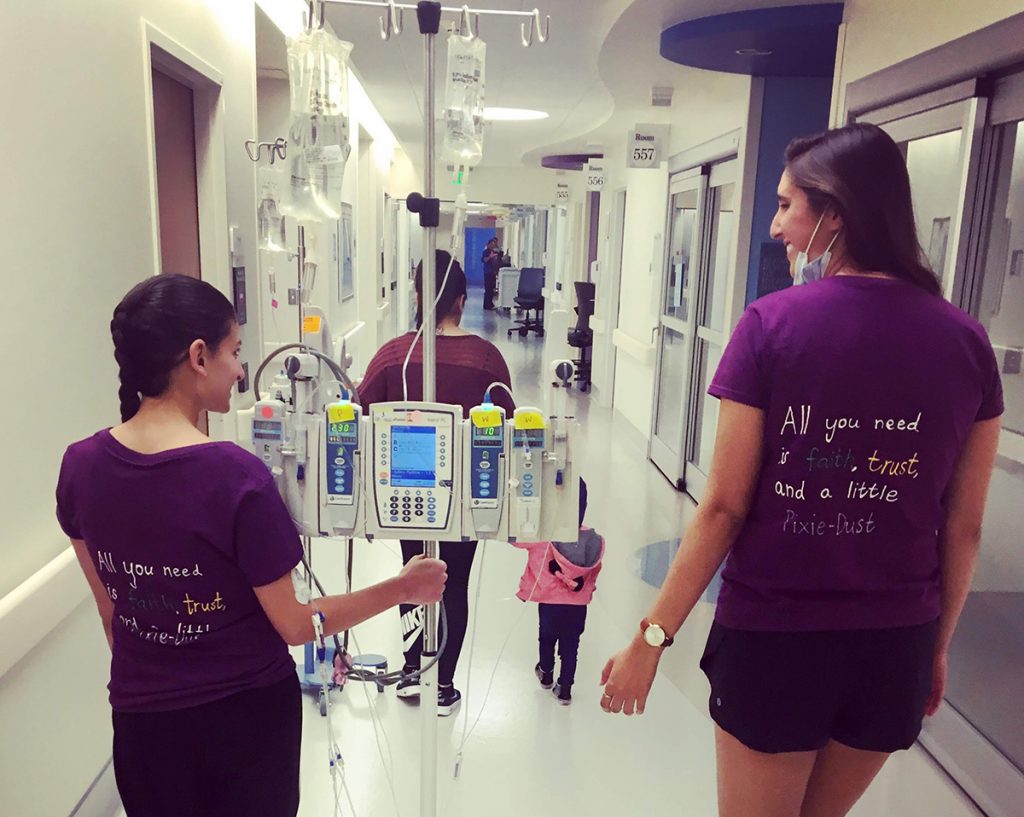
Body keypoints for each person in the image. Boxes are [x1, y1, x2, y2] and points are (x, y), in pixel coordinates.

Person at [600, 123, 1003, 817]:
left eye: (788, 205)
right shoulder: (967, 343)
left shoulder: (771, 326)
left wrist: (651, 637)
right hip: (893, 648)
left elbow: (724, 506)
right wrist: (933, 650)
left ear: (835, 214)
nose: (776, 223)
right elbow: (962, 527)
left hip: (776, 645)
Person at [55, 274, 447, 817]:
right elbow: (295, 625)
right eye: (234, 352)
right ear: (198, 356)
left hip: (143, 727)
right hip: (243, 724)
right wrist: (404, 587)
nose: (241, 369)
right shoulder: (233, 477)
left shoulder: (80, 466)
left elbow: (112, 616)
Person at [358, 250, 516, 715]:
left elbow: (356, 417)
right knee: (454, 582)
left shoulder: (392, 357)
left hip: (406, 493)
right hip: (465, 499)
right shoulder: (487, 359)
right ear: (462, 302)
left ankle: (412, 672)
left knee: (413, 577)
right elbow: (508, 428)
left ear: (417, 295)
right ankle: (442, 685)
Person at [511, 480, 603, 705]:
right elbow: (594, 571)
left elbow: (513, 539)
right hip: (578, 607)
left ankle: (546, 672)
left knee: (547, 637)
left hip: (550, 603)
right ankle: (565, 688)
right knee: (571, 645)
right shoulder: (593, 540)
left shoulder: (543, 536)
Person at [481, 236, 502, 310]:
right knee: (488, 290)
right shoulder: (485, 252)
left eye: (494, 244)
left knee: (492, 290)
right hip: (487, 273)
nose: (493, 246)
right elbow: (484, 260)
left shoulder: (494, 251)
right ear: (489, 244)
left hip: (493, 273)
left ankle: (490, 304)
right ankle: (486, 305)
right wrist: (490, 257)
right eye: (492, 244)